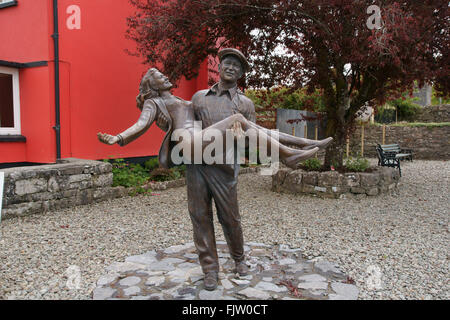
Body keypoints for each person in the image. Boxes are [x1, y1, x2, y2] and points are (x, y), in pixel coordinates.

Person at [98, 49, 332, 291]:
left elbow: (254, 136)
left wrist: (241, 140)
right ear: (219, 68)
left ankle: (239, 258)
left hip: (224, 166)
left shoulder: (244, 103)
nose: (231, 68)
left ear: (241, 73)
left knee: (231, 218)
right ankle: (210, 269)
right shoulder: (198, 98)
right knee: (200, 218)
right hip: (196, 164)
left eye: (237, 66)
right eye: (227, 63)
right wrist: (122, 137)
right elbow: (153, 121)